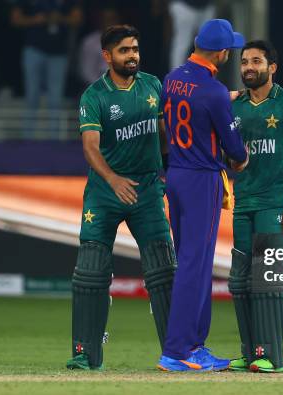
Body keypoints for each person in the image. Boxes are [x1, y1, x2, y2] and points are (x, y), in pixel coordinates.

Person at [66, 25, 177, 371]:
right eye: (125, 50)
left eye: (135, 49)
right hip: (104, 192)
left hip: (146, 190)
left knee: (163, 270)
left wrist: (170, 173)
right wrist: (113, 180)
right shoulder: (94, 96)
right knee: (90, 272)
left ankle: (176, 352)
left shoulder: (153, 86)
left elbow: (163, 135)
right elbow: (90, 147)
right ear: (107, 56)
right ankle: (86, 353)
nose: (133, 56)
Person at [157, 19, 249, 372]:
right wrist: (242, 158)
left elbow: (178, 113)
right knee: (196, 267)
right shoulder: (213, 91)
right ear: (223, 52)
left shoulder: (172, 78)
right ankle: (179, 350)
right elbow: (235, 150)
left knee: (190, 263)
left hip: (176, 174)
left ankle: (192, 346)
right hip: (201, 179)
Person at [228, 40, 283, 373]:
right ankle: (251, 353)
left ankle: (271, 355)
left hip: (276, 205)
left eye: (256, 61)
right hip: (243, 204)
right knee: (240, 282)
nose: (248, 67)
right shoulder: (235, 107)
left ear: (271, 68)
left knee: (268, 280)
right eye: (244, 62)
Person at [11, 0, 82, 137]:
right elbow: (15, 19)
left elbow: (77, 19)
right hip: (34, 50)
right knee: (32, 95)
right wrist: (35, 20)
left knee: (55, 98)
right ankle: (28, 137)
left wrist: (60, 18)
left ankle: (54, 138)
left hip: (58, 53)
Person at [168, 0, 215, 69]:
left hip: (206, 7)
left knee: (208, 46)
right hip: (184, 6)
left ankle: (205, 77)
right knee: (182, 45)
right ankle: (176, 78)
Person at [78, 7, 120, 85]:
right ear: (101, 21)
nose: (110, 22)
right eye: (107, 19)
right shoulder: (90, 42)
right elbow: (87, 72)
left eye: (113, 19)